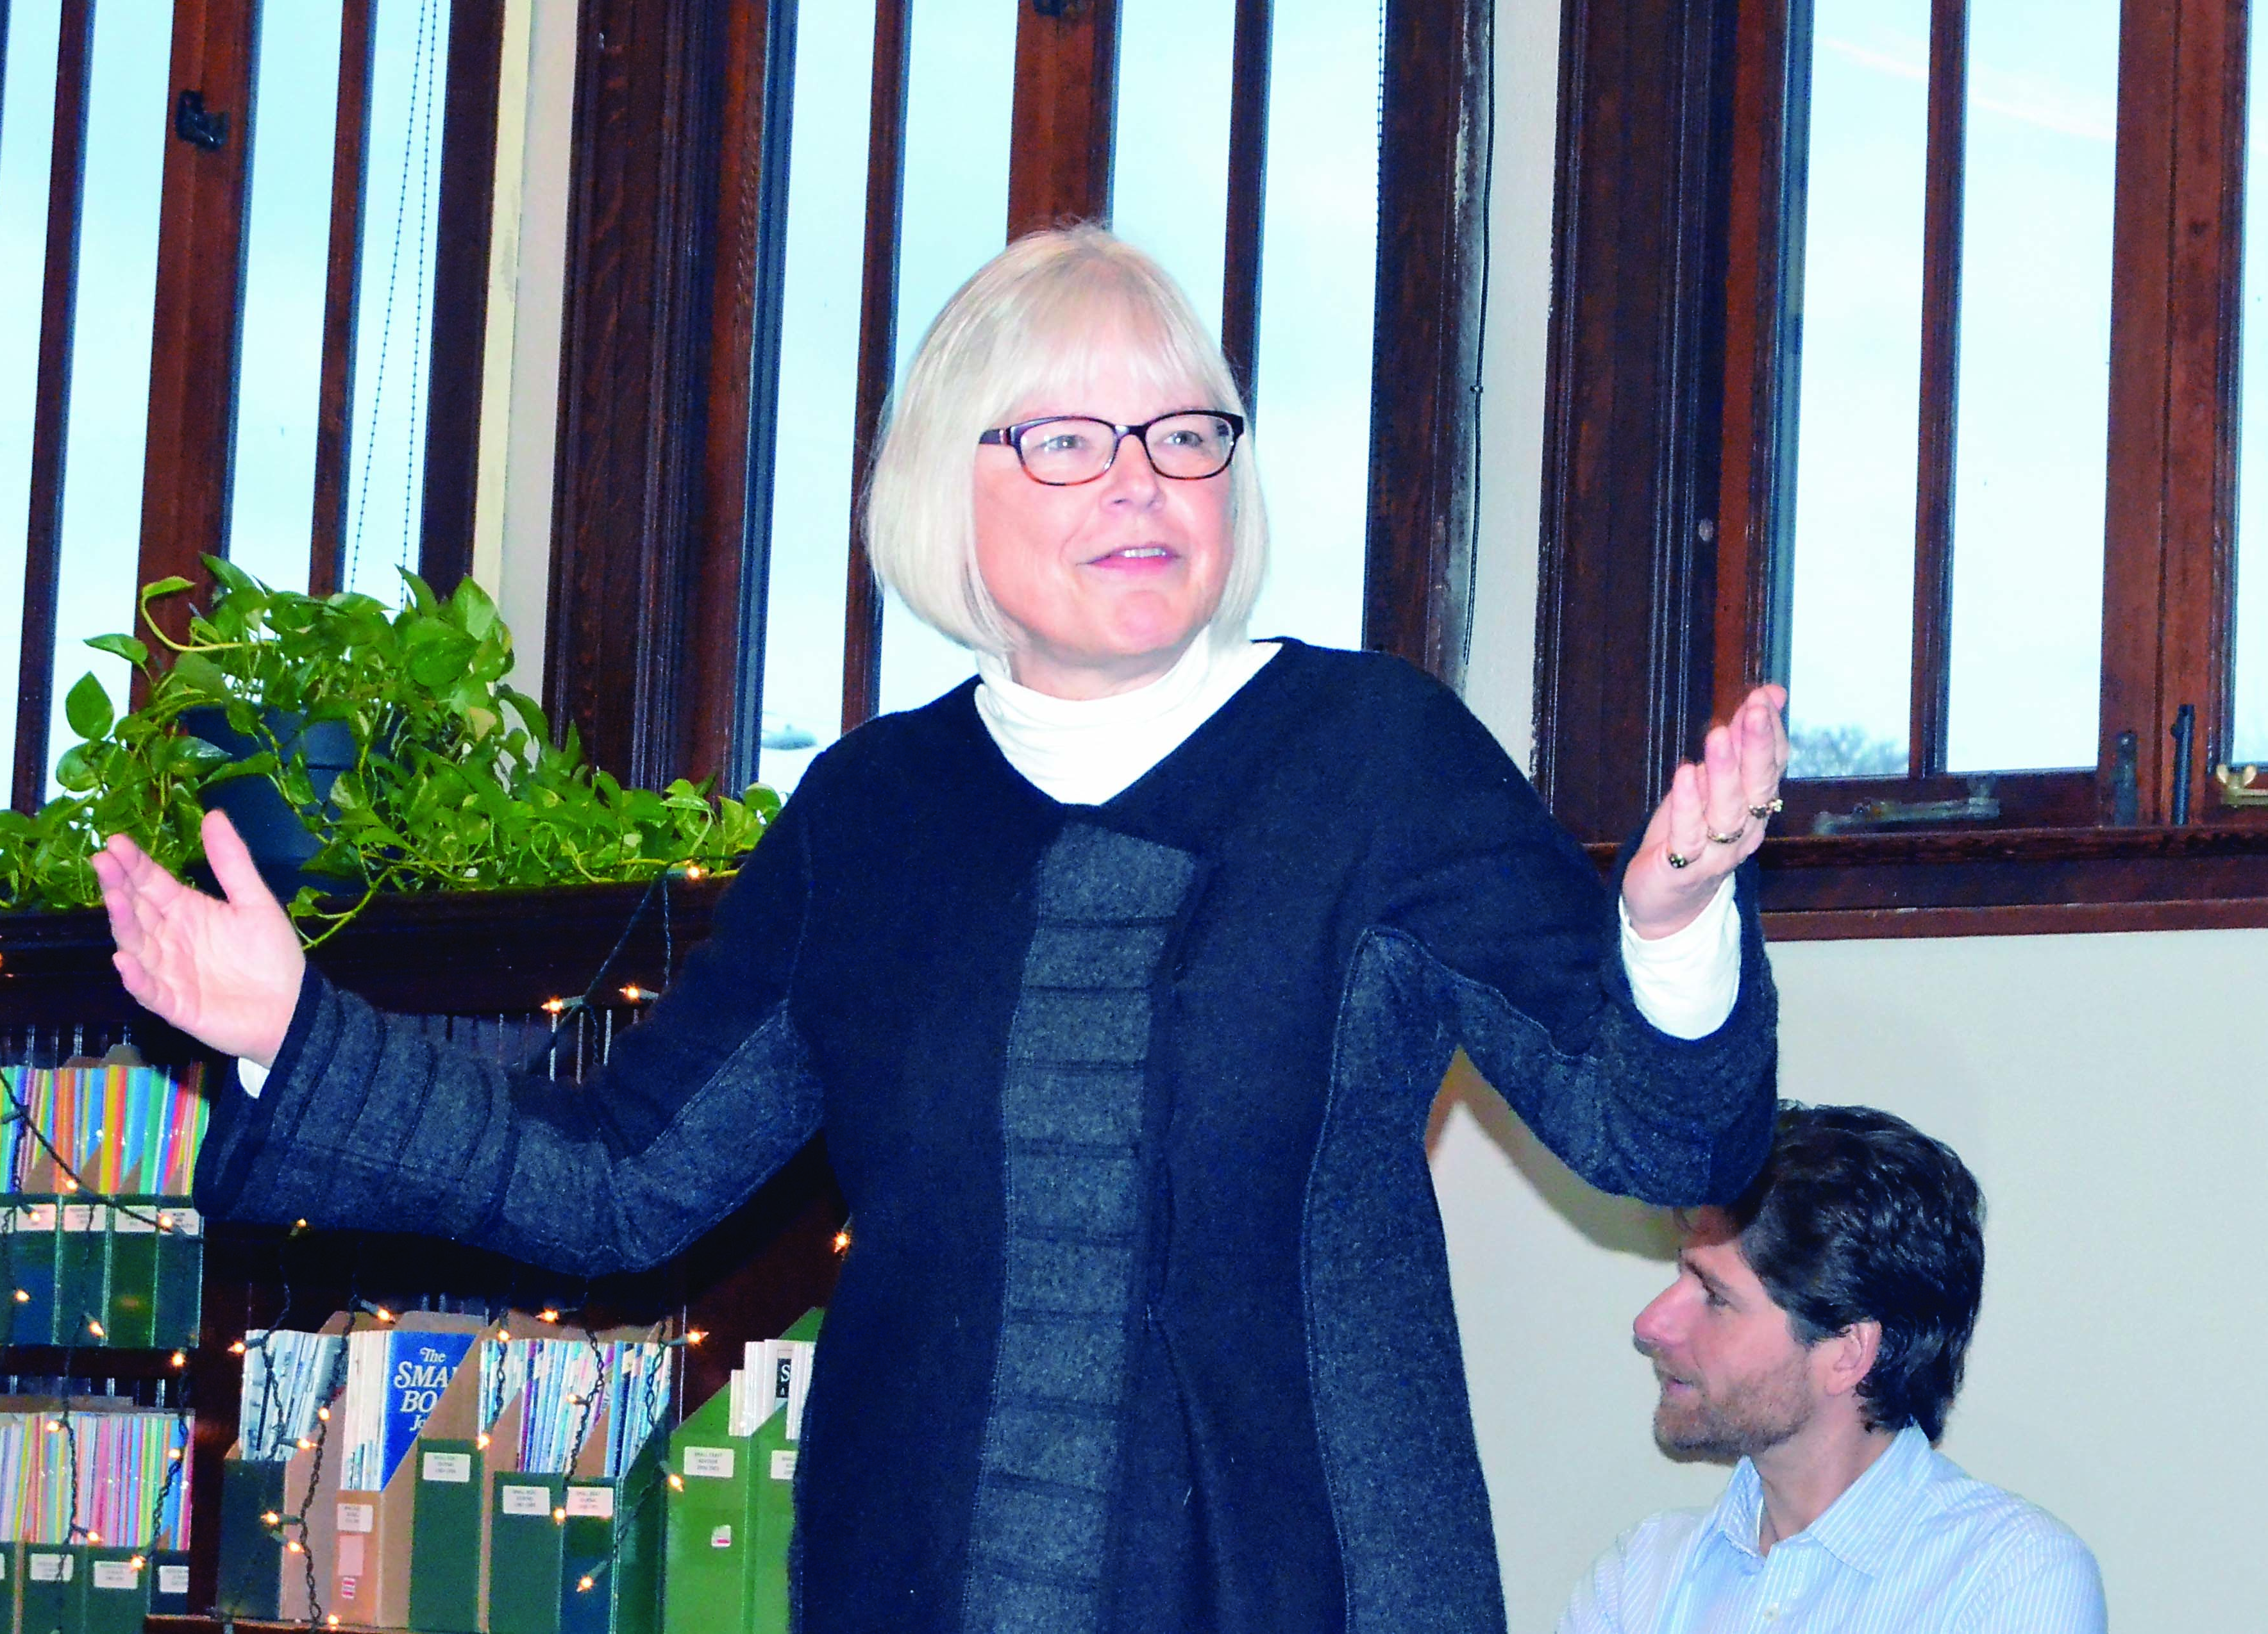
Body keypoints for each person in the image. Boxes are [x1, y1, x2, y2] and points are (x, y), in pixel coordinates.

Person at [94, 226, 1789, 1634]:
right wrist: (287, 1032)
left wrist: (1666, 921)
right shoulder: (869, 815)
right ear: (942, 484)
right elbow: (621, 1178)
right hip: (922, 1580)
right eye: (1065, 438)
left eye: (1184, 432)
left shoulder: (1376, 758)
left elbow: (1661, 1128)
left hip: (1305, 1579)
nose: (1141, 481)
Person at [1558, 1104, 2105, 1634]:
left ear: (1847, 1353)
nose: (1651, 1322)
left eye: (1715, 1297)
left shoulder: (2008, 1578)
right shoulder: (1639, 1576)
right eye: (1681, 1274)